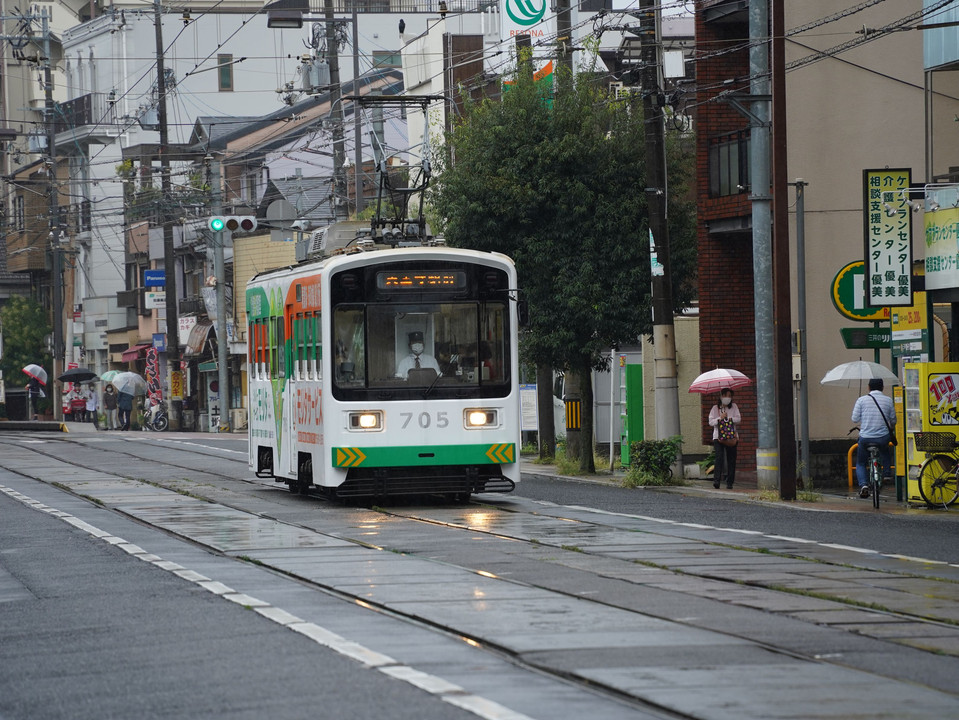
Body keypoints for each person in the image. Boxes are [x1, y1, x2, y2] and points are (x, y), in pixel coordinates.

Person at [852, 377, 896, 499]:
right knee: (885, 451)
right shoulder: (888, 400)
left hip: (865, 438)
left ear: (868, 387)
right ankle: (887, 473)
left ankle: (864, 485)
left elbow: (854, 419)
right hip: (882, 437)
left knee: (860, 462)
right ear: (882, 387)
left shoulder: (861, 400)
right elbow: (893, 420)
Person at [708, 388, 741, 489]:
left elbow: (738, 419)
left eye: (730, 396)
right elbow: (711, 422)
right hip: (718, 437)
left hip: (731, 437)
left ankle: (730, 482)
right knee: (719, 458)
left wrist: (728, 419)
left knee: (731, 459)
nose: (728, 398)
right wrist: (720, 418)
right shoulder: (715, 408)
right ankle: (717, 480)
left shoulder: (734, 407)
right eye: (726, 395)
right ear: (721, 396)